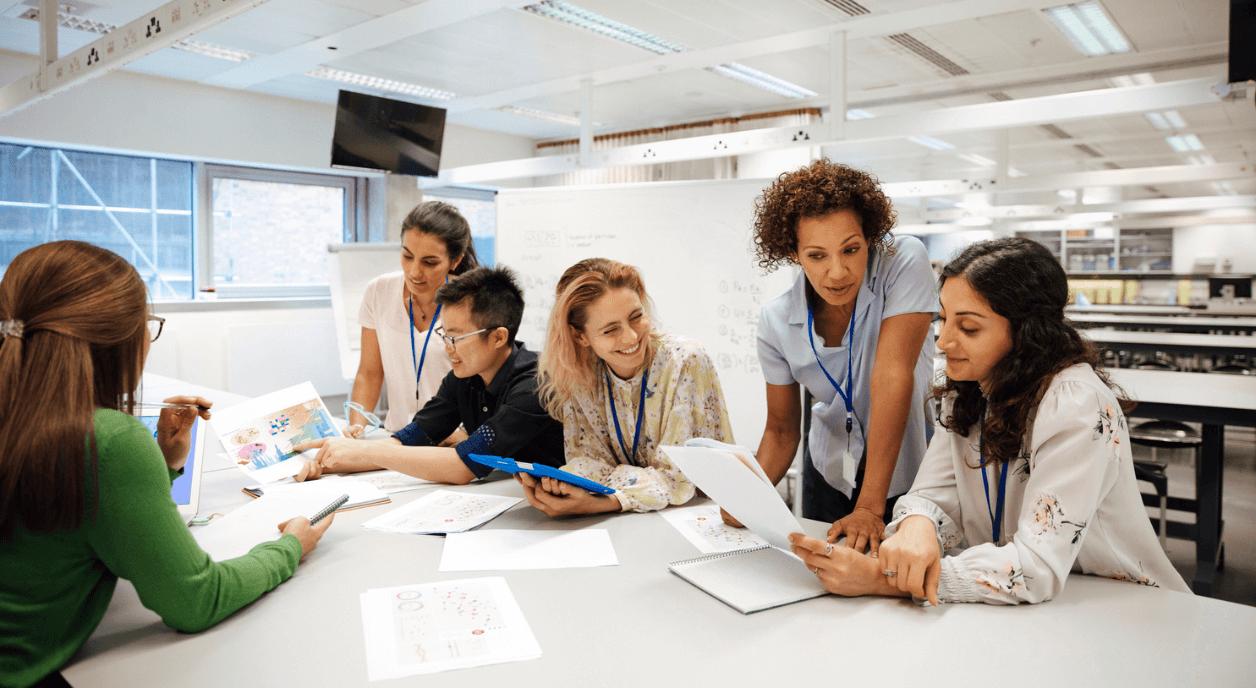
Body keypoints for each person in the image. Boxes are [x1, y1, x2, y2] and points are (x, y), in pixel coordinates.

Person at [0, 241, 332, 688]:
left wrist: (163, 461)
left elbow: (64, 517)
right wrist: (290, 548)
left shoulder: (24, 416)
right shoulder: (108, 441)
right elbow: (195, 600)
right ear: (119, 341)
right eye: (148, 326)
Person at [788, 237, 1190, 604]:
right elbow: (930, 495)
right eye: (943, 320)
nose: (944, 342)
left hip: (1120, 607)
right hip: (1020, 610)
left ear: (1025, 332)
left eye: (968, 327)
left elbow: (1035, 568)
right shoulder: (971, 390)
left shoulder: (1075, 405)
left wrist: (882, 576)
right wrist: (916, 526)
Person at [744, 159, 938, 554]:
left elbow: (892, 375)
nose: (837, 272)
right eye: (817, 255)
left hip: (906, 467)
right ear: (793, 253)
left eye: (851, 249)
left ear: (869, 237)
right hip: (828, 470)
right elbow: (781, 432)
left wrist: (869, 506)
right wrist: (748, 499)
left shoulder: (903, 263)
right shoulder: (777, 320)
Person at [295, 266, 564, 484]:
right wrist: (332, 459)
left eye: (456, 337)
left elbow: (463, 465)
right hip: (511, 496)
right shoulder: (465, 376)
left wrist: (364, 451)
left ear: (498, 337)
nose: (448, 348)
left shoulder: (535, 385)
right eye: (444, 334)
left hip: (566, 515)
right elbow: (409, 439)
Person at [528, 258, 734, 516]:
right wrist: (560, 484)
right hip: (624, 519)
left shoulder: (685, 361)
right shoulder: (580, 373)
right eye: (610, 330)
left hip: (698, 518)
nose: (631, 337)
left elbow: (678, 479)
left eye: (636, 317)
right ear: (580, 336)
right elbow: (588, 462)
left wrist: (604, 500)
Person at [347, 201, 477, 437]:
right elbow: (369, 373)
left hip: (452, 440)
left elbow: (482, 385)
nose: (415, 272)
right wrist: (357, 427)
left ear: (455, 260)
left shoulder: (472, 304)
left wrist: (465, 436)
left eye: (430, 262)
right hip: (396, 436)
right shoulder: (379, 291)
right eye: (407, 256)